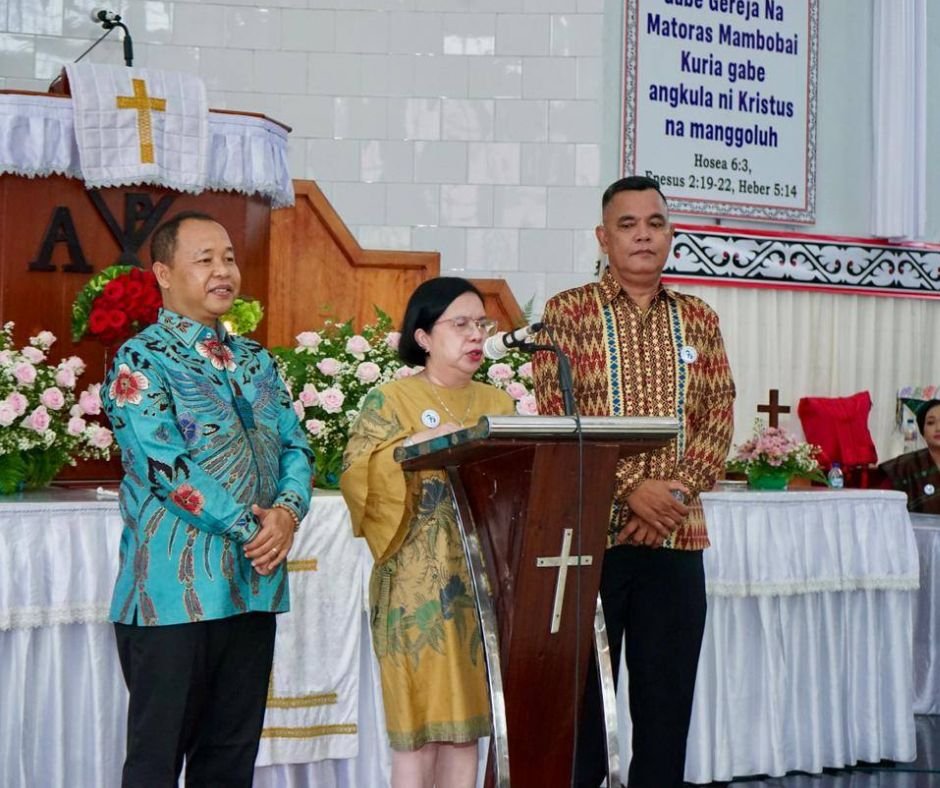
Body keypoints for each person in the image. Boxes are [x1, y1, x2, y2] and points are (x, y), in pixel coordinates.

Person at [533, 176, 736, 788]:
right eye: (628, 224)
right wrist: (630, 492)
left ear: (671, 233)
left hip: (677, 541)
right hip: (591, 541)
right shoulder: (566, 313)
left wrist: (668, 501)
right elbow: (557, 414)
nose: (644, 234)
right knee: (585, 714)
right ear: (603, 236)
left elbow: (718, 416)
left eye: (655, 223)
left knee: (666, 710)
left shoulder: (699, 317)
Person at [101, 211, 313, 787]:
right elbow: (166, 468)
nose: (223, 270)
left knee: (230, 756)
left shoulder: (256, 360)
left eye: (228, 258)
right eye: (205, 260)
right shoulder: (141, 360)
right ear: (164, 274)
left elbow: (295, 443)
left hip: (252, 587)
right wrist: (256, 530)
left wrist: (290, 510)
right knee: (156, 759)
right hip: (173, 595)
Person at [340, 277, 515, 788]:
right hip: (413, 592)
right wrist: (413, 445)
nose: (475, 335)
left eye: (480, 324)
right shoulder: (390, 401)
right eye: (459, 324)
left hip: (483, 590)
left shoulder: (499, 405)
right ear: (423, 337)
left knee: (466, 733)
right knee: (417, 735)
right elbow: (357, 476)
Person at [879, 398, 940, 514]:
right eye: (931, 423)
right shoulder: (903, 467)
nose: (938, 428)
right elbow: (884, 509)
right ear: (923, 431)